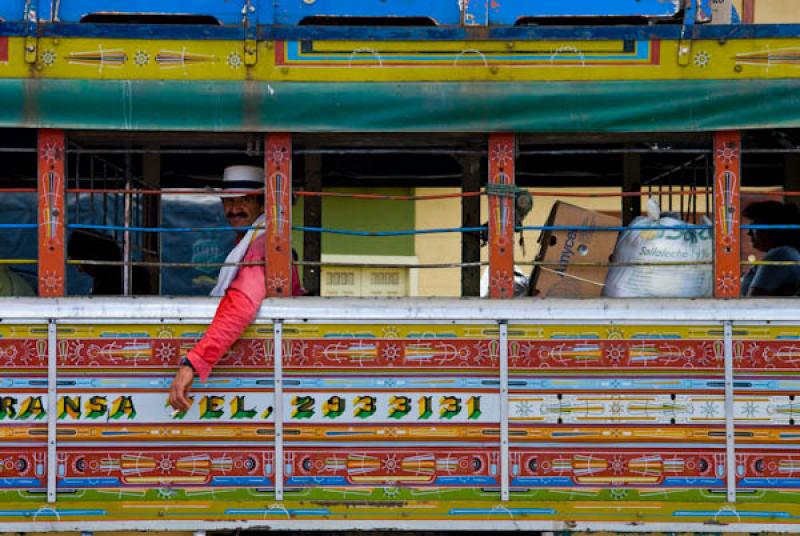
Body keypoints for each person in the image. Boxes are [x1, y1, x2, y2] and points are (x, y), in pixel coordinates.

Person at [168, 165, 303, 412]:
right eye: (228, 202)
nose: (234, 209)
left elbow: (240, 304)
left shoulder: (262, 245)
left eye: (244, 201)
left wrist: (193, 362)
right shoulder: (249, 240)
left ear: (263, 205)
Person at [741, 200, 800, 296]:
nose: (749, 232)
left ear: (772, 229)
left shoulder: (781, 255)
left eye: (754, 226)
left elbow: (754, 300)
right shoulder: (787, 254)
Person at [67, 229, 153, 295]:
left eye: (80, 263)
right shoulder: (114, 272)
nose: (79, 270)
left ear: (92, 256)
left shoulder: (114, 280)